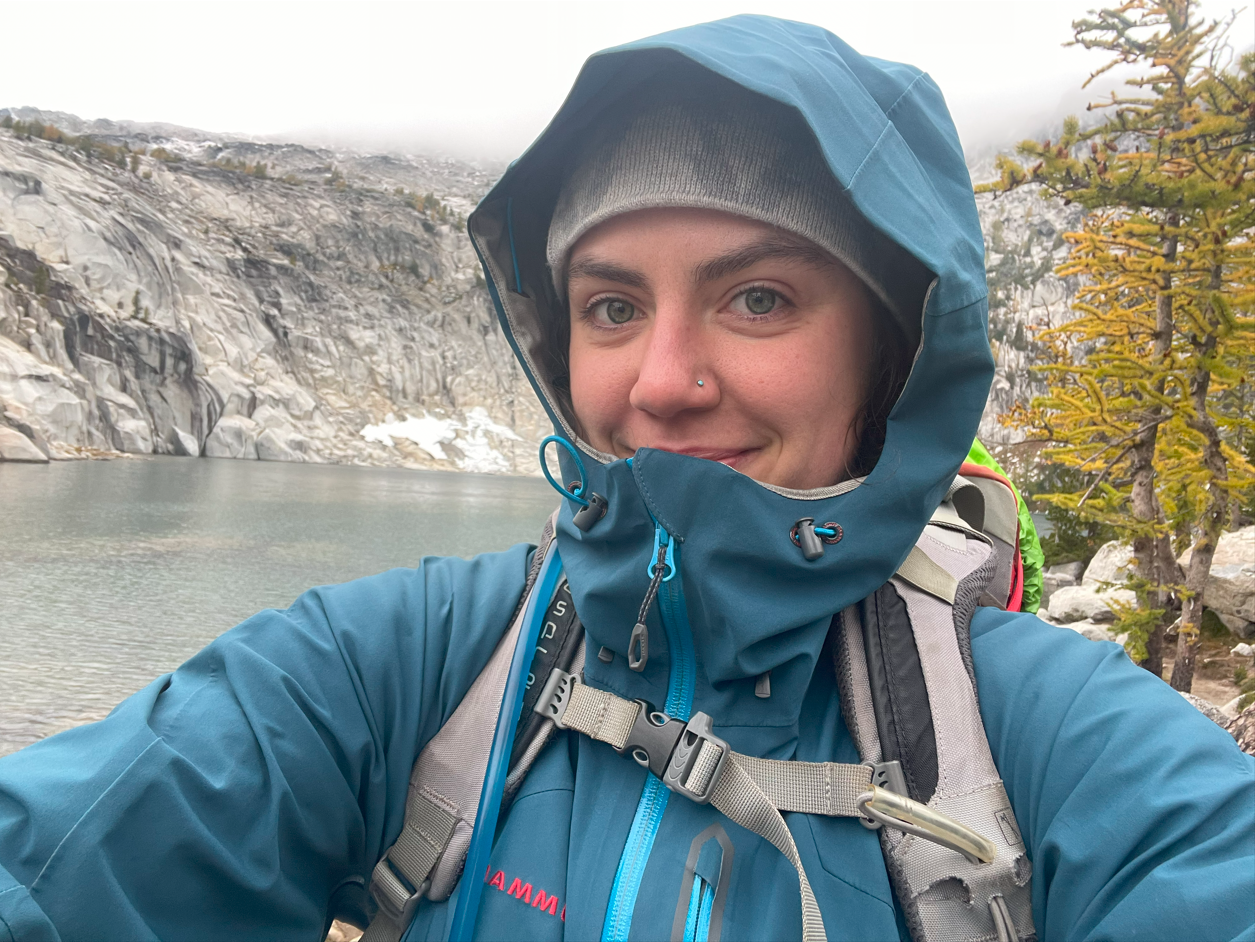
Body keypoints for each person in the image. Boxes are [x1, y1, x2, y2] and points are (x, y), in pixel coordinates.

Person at [0, 15, 1251, 942]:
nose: (659, 381)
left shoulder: (1044, 735)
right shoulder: (416, 666)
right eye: (609, 304)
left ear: (891, 350)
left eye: (756, 297)